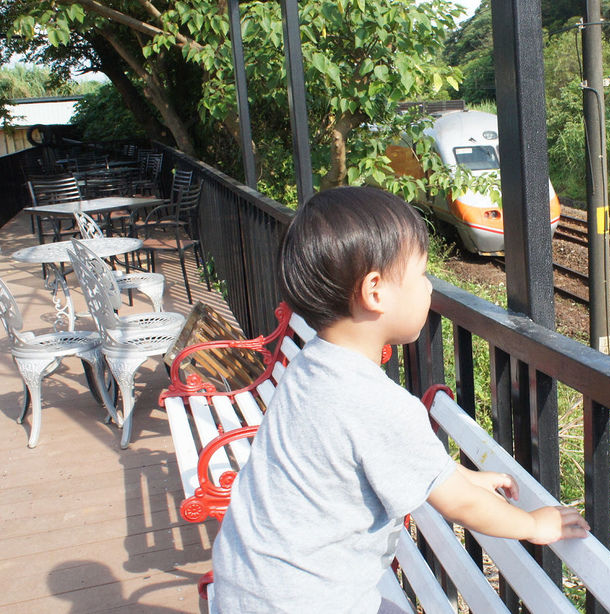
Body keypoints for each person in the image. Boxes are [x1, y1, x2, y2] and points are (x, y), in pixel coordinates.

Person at [211, 187, 589, 613]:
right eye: (422, 274)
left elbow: (390, 464)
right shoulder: (377, 402)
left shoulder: (312, 367)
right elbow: (459, 504)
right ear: (375, 291)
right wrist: (533, 524)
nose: (429, 288)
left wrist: (456, 475)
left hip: (248, 586)